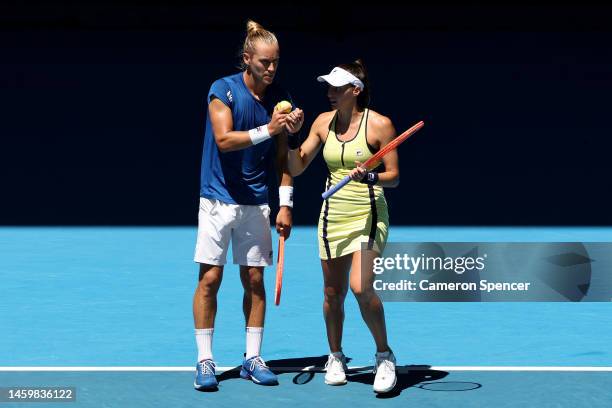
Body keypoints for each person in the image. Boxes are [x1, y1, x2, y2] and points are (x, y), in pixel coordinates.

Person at [192, 20, 305, 390]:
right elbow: (224, 140)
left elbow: (282, 159)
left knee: (254, 280)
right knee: (210, 278)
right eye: (264, 63)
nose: (271, 70)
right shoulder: (221, 90)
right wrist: (270, 129)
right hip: (217, 200)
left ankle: (252, 357)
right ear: (247, 59)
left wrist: (285, 204)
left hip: (256, 203)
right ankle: (205, 360)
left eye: (275, 63)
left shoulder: (280, 99)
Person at [287, 60, 399, 393]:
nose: (330, 93)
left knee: (361, 288)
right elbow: (296, 165)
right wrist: (292, 139)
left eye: (338, 88)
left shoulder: (380, 125)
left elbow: (393, 177)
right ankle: (335, 356)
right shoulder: (323, 122)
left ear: (356, 90)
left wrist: (370, 175)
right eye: (329, 87)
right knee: (332, 293)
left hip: (367, 214)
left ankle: (384, 355)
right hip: (332, 215)